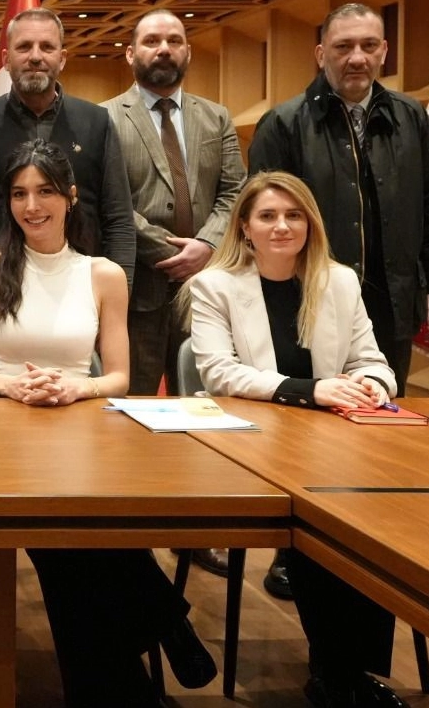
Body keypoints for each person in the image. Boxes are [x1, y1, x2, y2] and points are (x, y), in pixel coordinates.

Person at [0, 139, 215, 708]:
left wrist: (75, 388)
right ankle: (160, 628)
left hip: (79, 432)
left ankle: (117, 678)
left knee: (78, 537)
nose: (32, 205)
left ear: (70, 196)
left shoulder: (103, 274)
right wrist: (9, 385)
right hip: (2, 436)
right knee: (67, 541)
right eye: (19, 193)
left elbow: (117, 376)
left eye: (45, 191)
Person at [187, 170, 406, 708]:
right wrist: (312, 390)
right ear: (244, 227)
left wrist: (370, 385)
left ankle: (345, 671)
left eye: (294, 215)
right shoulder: (215, 286)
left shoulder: (340, 281)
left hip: (335, 441)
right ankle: (338, 674)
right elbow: (219, 373)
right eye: (267, 216)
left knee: (374, 515)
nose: (282, 226)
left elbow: (373, 361)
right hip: (251, 443)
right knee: (330, 516)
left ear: (310, 224)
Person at [247, 1, 429, 600]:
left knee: (378, 423)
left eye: (369, 45)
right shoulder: (284, 122)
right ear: (320, 52)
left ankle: (373, 541)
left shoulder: (412, 117)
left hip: (394, 294)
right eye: (344, 46)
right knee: (306, 430)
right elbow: (264, 214)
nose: (357, 57)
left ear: (384, 52)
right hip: (309, 298)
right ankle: (295, 550)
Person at [102, 10, 245, 576]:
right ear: (131, 52)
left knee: (200, 410)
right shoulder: (106, 118)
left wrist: (206, 246)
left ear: (187, 51)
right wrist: (167, 248)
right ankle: (127, 527)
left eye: (174, 40)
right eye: (151, 40)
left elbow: (235, 192)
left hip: (205, 287)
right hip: (136, 283)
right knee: (130, 409)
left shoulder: (217, 117)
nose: (163, 48)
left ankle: (193, 528)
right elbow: (110, 198)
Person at [0, 7, 135, 299]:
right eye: (24, 47)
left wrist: (119, 296)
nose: (35, 56)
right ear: (6, 60)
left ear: (62, 58)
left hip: (80, 295)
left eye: (47, 47)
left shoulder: (97, 123)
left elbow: (118, 218)